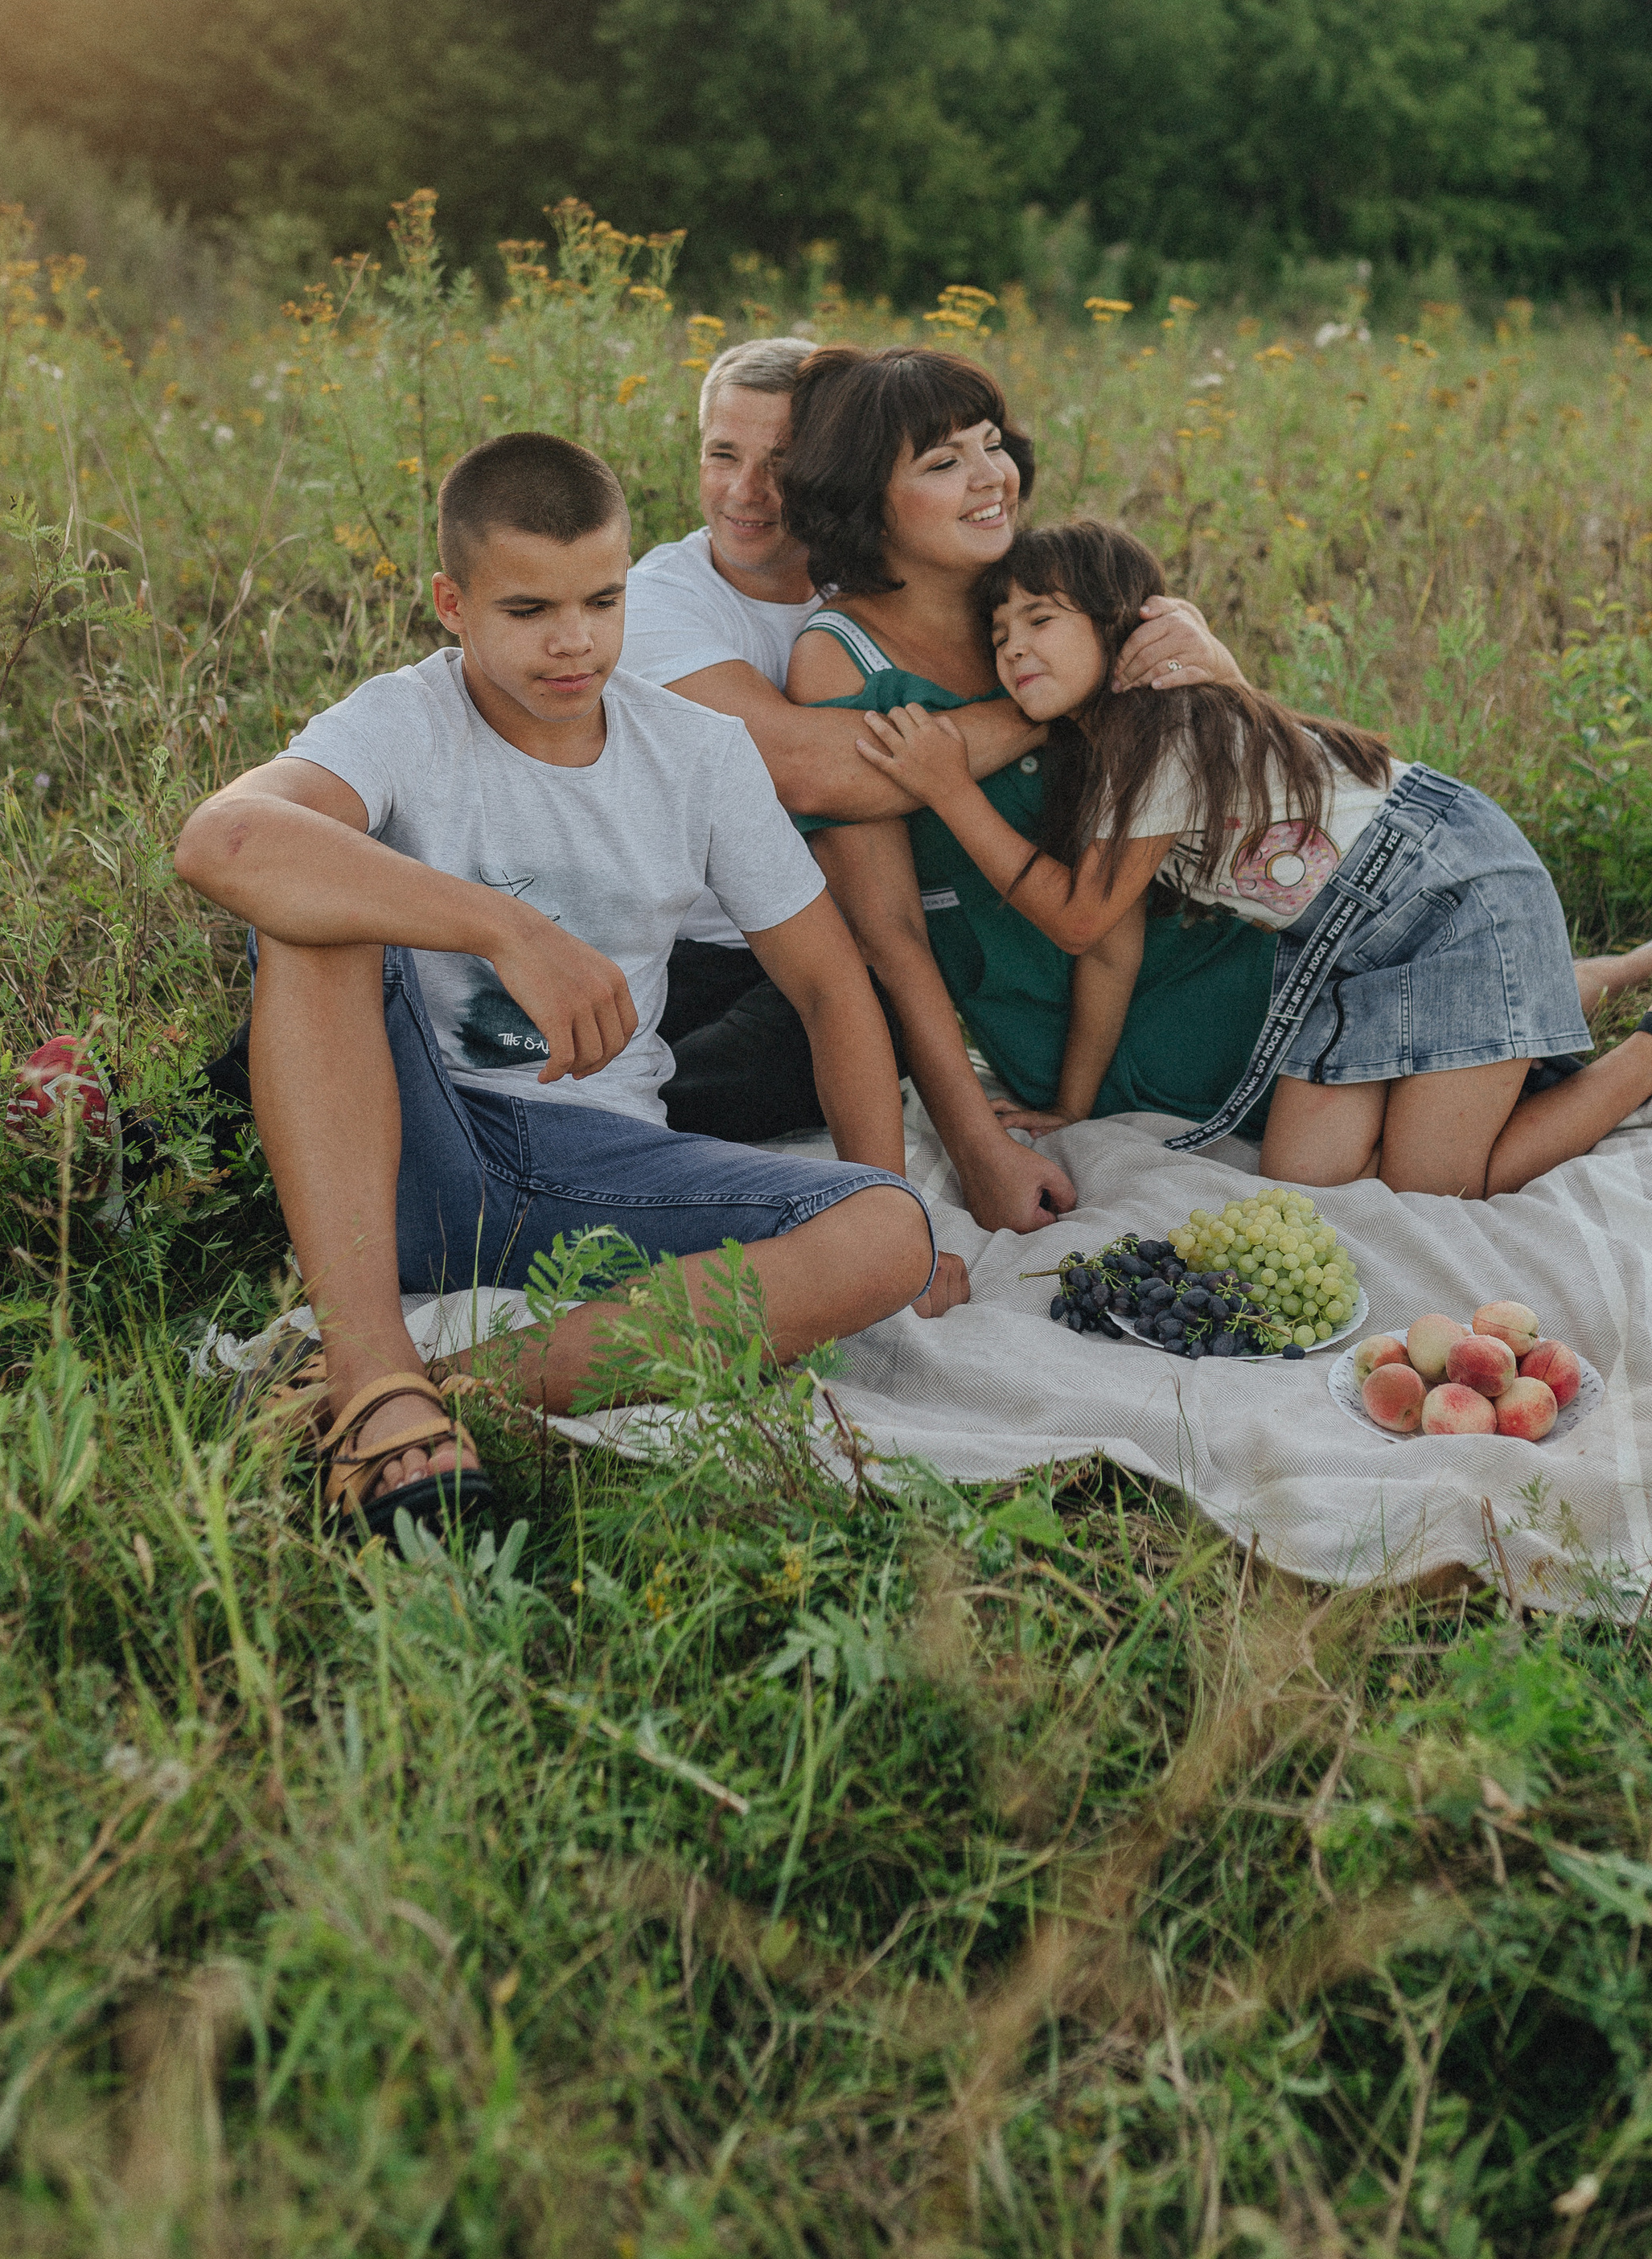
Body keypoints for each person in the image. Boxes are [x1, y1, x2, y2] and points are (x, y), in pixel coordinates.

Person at [172, 429, 955, 1536]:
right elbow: (224, 842)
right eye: (528, 611)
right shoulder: (404, 717)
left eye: (602, 599)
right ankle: (369, 1360)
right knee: (314, 903)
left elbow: (831, 985)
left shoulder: (697, 750)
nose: (574, 643)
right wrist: (509, 929)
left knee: (888, 1229)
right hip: (398, 1139)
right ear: (452, 602)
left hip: (593, 1167)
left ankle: (442, 1396)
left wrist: (893, 1211)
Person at [853, 518, 1652, 1198]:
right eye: (999, 631)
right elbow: (1112, 943)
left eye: (1039, 619)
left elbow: (1075, 920)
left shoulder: (1167, 732)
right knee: (1306, 1173)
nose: (1012, 648)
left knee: (1443, 1181)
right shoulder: (1106, 754)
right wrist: (1072, 1111)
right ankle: (1578, 982)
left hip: (1456, 896)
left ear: (1120, 625)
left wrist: (950, 790)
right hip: (1349, 948)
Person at [618, 333, 1243, 1141]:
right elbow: (807, 772)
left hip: (829, 934)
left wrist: (1197, 654)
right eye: (722, 454)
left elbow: (1201, 741)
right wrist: (1069, 693)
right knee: (641, 1080)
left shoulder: (937, 572)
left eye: (781, 461)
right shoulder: (667, 605)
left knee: (798, 1048)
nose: (749, 490)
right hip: (693, 932)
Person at [776, 345, 1290, 1234]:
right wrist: (977, 1150)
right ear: (869, 505)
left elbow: (1231, 764)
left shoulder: (1053, 603)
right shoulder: (839, 659)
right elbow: (893, 938)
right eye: (943, 463)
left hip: (1210, 967)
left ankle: (1606, 975)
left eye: (991, 445)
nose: (990, 479)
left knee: (1435, 1061)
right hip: (1049, 1042)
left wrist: (1217, 667)